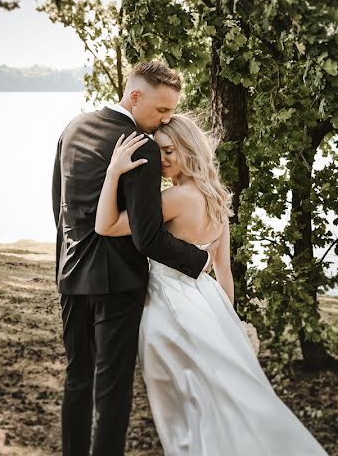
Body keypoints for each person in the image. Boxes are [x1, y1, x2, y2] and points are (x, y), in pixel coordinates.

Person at [95, 113, 330, 456]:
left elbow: (107, 225)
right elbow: (223, 270)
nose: (161, 160)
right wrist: (228, 321)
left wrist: (114, 171)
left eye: (169, 151)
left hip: (166, 304)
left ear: (190, 149)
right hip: (207, 301)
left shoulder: (174, 200)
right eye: (158, 152)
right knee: (217, 394)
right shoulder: (219, 199)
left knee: (181, 404)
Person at [51, 61, 211, 456]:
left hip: (72, 275)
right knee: (112, 389)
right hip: (118, 283)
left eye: (170, 112)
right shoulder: (140, 146)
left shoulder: (73, 128)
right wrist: (198, 260)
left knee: (78, 379)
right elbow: (149, 236)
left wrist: (69, 255)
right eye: (161, 111)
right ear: (134, 96)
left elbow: (60, 205)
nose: (165, 120)